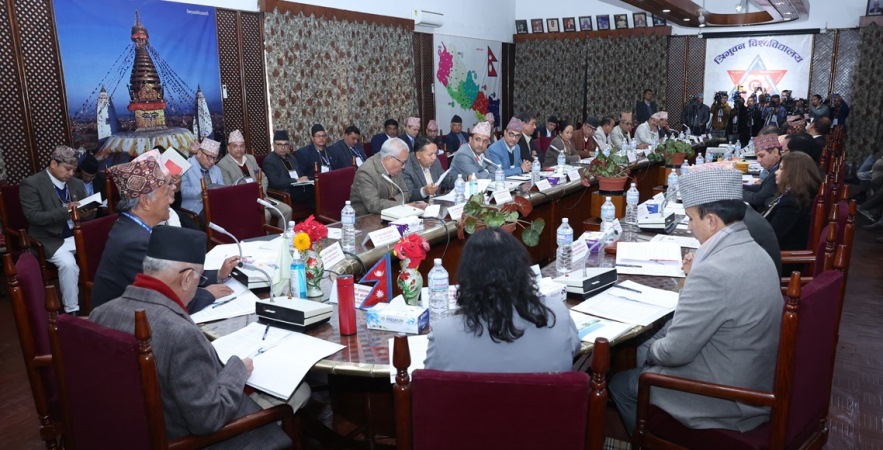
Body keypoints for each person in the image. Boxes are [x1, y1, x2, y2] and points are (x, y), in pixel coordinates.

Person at [90, 226, 304, 449]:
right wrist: (238, 369)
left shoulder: (100, 313)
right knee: (298, 393)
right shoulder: (180, 334)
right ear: (186, 278)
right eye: (199, 278)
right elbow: (209, 419)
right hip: (187, 439)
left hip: (128, 432)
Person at [609, 168, 781, 435]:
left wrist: (648, 352)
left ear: (711, 221)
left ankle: (649, 440)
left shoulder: (713, 271)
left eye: (691, 219)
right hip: (752, 377)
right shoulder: (755, 250)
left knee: (621, 381)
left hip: (724, 399)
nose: (689, 226)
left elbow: (673, 353)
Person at [91, 156, 237, 312]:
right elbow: (166, 296)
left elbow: (172, 274)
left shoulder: (136, 227)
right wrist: (208, 294)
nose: (171, 201)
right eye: (166, 194)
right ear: (146, 202)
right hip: (123, 320)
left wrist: (218, 275)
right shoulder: (134, 241)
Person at [424, 227, 580, 372]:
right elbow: (573, 350)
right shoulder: (557, 315)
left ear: (467, 277)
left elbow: (429, 382)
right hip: (543, 394)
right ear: (522, 270)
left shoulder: (443, 334)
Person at [20, 145, 92, 314]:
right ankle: (72, 311)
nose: (71, 174)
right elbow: (33, 217)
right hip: (49, 239)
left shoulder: (76, 183)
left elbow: (86, 212)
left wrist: (88, 210)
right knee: (69, 264)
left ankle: (102, 300)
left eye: (74, 170)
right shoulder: (31, 184)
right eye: (67, 169)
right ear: (53, 164)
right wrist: (66, 210)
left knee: (105, 248)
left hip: (77, 234)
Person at [216, 129, 292, 227]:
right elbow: (229, 189)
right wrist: (254, 197)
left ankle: (282, 236)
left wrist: (261, 193)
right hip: (243, 202)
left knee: (287, 210)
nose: (239, 149)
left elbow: (263, 177)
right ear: (228, 148)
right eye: (235, 146)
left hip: (262, 197)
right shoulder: (223, 165)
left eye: (241, 146)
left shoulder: (250, 159)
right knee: (266, 215)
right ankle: (267, 237)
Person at [763, 151, 822, 255]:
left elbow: (770, 237)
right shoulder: (798, 194)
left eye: (781, 169)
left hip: (778, 256)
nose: (776, 172)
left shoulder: (792, 203)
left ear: (793, 173)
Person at [349, 138, 418, 215]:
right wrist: (402, 206)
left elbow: (405, 193)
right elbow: (374, 205)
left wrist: (392, 201)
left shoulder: (396, 166)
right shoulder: (366, 172)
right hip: (367, 218)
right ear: (389, 158)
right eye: (403, 162)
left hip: (393, 214)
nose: (404, 166)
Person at [262, 130, 315, 209]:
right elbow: (275, 182)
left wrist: (305, 179)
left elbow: (299, 174)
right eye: (280, 144)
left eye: (286, 144)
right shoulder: (269, 161)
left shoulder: (291, 158)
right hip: (284, 192)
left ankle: (318, 215)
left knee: (317, 189)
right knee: (314, 192)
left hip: (298, 188)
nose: (283, 147)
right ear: (273, 145)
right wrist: (296, 180)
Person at [180, 138, 224, 222]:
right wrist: (205, 190)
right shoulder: (186, 166)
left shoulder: (217, 170)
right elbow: (183, 192)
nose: (212, 162)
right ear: (199, 153)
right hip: (194, 207)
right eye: (209, 157)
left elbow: (222, 189)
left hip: (215, 205)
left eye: (215, 159)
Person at [743, 133, 781, 211]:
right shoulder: (773, 169)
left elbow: (759, 199)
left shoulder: (778, 173)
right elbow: (761, 188)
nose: (758, 160)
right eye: (757, 157)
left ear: (775, 152)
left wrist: (736, 192)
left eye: (761, 156)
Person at [402, 136, 445, 201]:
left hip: (437, 202)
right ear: (418, 155)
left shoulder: (435, 161)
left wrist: (459, 180)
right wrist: (424, 191)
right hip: (419, 205)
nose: (434, 157)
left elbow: (445, 180)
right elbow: (408, 194)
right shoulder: (406, 167)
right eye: (430, 154)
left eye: (435, 153)